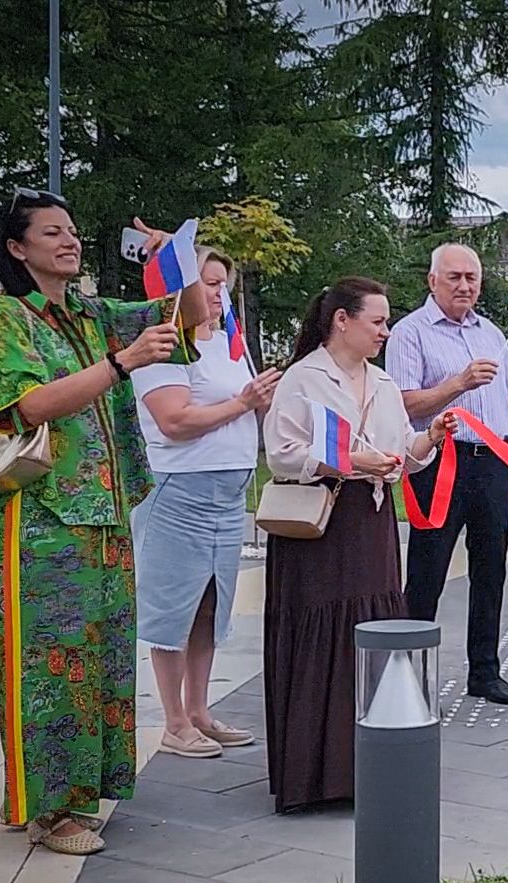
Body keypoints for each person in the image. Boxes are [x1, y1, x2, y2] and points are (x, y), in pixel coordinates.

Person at [0, 189, 206, 855]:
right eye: (51, 233)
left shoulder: (89, 313)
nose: (69, 241)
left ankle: (72, 794)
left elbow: (189, 320)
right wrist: (121, 363)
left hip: (102, 510)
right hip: (39, 516)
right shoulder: (5, 320)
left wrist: (176, 260)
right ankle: (49, 812)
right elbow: (29, 405)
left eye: (71, 231)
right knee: (48, 661)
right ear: (18, 249)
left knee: (95, 659)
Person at [262, 278, 454, 813]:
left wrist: (430, 438)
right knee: (323, 637)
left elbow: (400, 455)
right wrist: (346, 462)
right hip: (320, 527)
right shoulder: (303, 379)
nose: (385, 331)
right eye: (378, 321)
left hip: (371, 524)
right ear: (341, 321)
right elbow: (282, 453)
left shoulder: (385, 383)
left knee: (370, 635)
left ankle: (364, 766)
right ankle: (313, 774)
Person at [131, 248, 279, 759]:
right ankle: (173, 721)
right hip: (180, 488)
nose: (216, 295)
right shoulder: (164, 345)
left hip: (226, 492)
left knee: (210, 606)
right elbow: (174, 421)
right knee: (173, 606)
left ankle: (199, 710)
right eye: (207, 283)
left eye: (222, 284)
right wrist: (243, 402)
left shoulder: (228, 344)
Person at [385, 244, 508, 706]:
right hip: (439, 461)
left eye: (472, 277)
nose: (465, 286)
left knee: (492, 569)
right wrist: (458, 384)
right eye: (454, 277)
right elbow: (403, 403)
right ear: (432, 281)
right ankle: (406, 674)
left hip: (493, 464)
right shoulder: (410, 333)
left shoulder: (491, 333)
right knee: (428, 569)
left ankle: (485, 672)